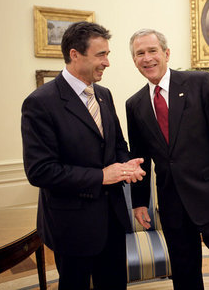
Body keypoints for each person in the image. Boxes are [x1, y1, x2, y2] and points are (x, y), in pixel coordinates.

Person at [21, 21, 146, 290]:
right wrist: (101, 176)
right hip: (72, 226)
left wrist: (126, 164)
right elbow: (40, 171)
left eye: (107, 55)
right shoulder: (40, 103)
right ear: (75, 55)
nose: (108, 63)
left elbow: (116, 145)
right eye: (101, 55)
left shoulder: (104, 95)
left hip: (112, 220)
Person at [126, 28, 209, 290]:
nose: (147, 58)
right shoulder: (134, 104)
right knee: (183, 270)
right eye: (139, 54)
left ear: (166, 53)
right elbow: (140, 159)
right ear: (134, 60)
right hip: (171, 201)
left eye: (152, 51)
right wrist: (138, 202)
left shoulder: (200, 83)